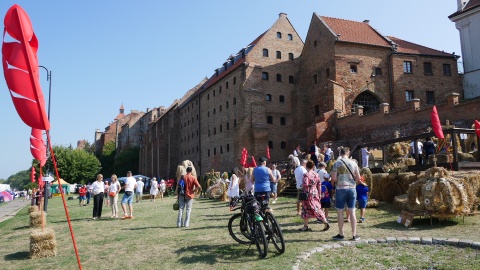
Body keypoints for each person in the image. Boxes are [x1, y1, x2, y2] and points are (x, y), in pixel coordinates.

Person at [331, 147, 361, 241]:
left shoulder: (337, 163)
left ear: (340, 153)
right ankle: (354, 234)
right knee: (352, 211)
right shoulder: (354, 163)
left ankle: (341, 234)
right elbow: (358, 178)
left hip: (341, 188)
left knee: (340, 211)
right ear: (348, 154)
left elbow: (334, 178)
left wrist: (339, 179)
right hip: (352, 188)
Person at [298, 161, 329, 231]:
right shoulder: (316, 174)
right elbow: (319, 185)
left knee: (306, 209)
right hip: (315, 193)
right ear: (313, 166)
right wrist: (320, 193)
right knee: (317, 207)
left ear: (306, 166)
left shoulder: (306, 174)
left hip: (307, 193)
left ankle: (306, 226)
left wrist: (301, 185)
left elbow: (305, 184)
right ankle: (324, 221)